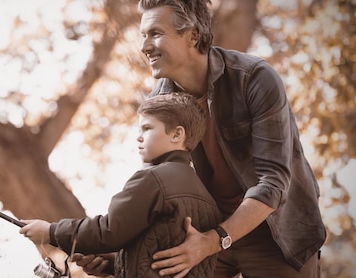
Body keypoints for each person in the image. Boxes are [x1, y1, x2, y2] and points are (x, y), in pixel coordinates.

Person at [75, 0, 327, 277]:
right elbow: (156, 190)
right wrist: (118, 257)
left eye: (155, 33)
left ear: (193, 35)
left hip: (275, 230)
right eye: (143, 35)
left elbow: (273, 182)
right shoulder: (159, 102)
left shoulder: (253, 78)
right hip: (205, 229)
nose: (144, 46)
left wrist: (212, 241)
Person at [19, 93, 222, 277]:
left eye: (147, 128)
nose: (139, 137)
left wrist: (51, 232)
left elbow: (108, 230)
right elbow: (158, 260)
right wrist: (112, 264)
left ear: (177, 134)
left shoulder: (154, 180)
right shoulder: (208, 199)